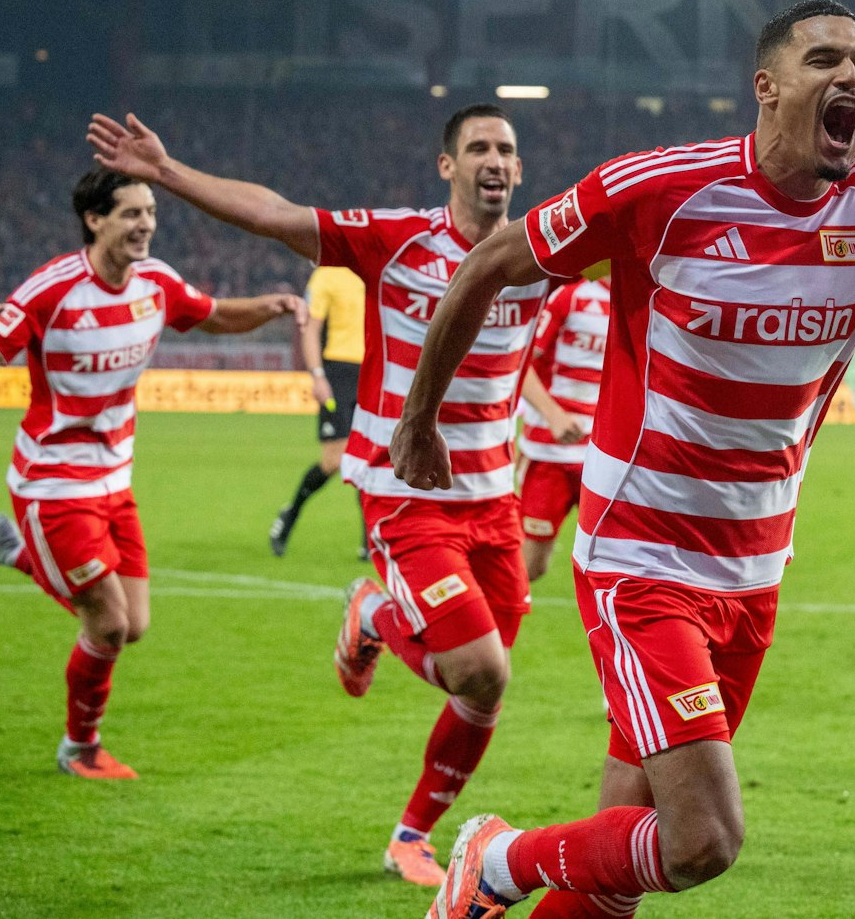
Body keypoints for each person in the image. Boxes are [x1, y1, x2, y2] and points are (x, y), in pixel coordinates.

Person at [392, 0, 855, 919]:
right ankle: (497, 858)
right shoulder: (659, 191)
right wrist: (420, 418)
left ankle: (520, 873)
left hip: (755, 572)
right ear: (766, 87)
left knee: (622, 853)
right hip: (639, 561)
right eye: (824, 60)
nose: (851, 78)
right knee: (702, 839)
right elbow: (490, 260)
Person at [85, 104, 552, 888]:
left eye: (507, 147)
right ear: (449, 166)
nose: (494, 159)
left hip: (492, 498)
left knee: (481, 688)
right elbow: (275, 214)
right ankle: (374, 609)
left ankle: (413, 834)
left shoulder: (541, 253)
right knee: (482, 667)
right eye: (478, 146)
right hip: (403, 492)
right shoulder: (398, 241)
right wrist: (167, 173)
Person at [0, 169, 305, 780]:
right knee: (109, 622)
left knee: (134, 624)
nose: (146, 224)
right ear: (95, 220)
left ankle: (7, 550)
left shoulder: (157, 282)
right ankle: (79, 749)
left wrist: (271, 306)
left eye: (150, 212)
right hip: (53, 483)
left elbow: (214, 315)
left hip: (114, 481)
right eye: (130, 213)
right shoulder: (51, 289)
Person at [514, 274, 610, 582]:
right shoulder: (569, 295)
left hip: (603, 457)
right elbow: (520, 362)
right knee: (530, 566)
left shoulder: (640, 299)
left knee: (617, 561)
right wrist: (554, 415)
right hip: (548, 453)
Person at [270, 260, 367, 558]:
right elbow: (310, 329)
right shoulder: (327, 275)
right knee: (333, 460)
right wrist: (317, 374)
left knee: (371, 458)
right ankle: (289, 515)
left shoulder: (371, 270)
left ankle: (370, 541)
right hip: (337, 373)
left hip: (372, 371)